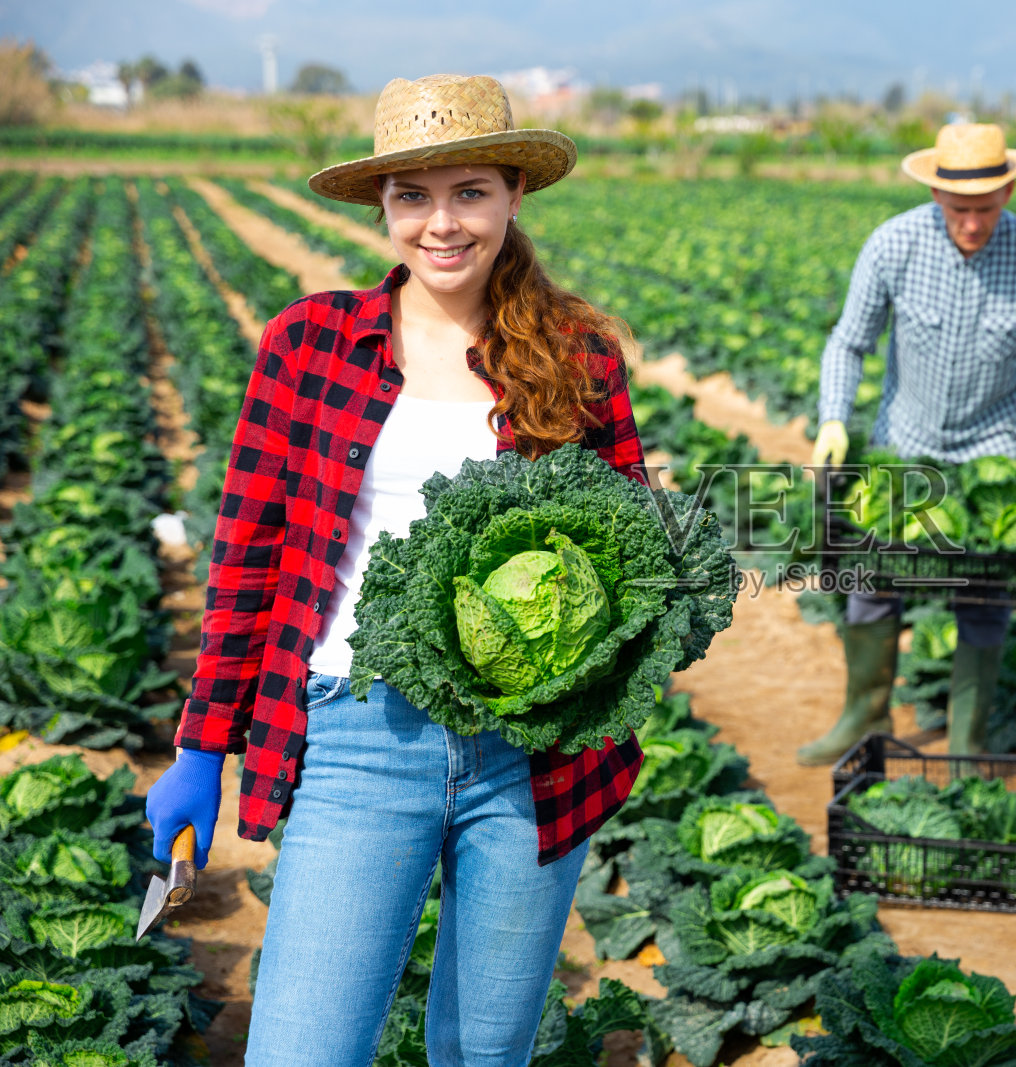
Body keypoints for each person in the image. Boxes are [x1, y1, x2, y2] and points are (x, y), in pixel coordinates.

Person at [142, 74, 645, 1066]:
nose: (441, 223)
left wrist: (584, 683)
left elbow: (629, 554)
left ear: (511, 195)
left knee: (484, 1048)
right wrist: (202, 744)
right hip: (356, 733)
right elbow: (245, 554)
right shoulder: (310, 344)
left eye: (469, 192)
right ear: (382, 207)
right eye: (413, 196)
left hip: (529, 751)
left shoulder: (576, 353)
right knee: (304, 1047)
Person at [800, 123, 1016, 765]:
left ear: (1011, 191)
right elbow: (849, 341)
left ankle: (967, 738)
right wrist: (833, 418)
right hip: (902, 446)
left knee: (984, 592)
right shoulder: (893, 244)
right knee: (873, 579)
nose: (972, 223)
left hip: (991, 457)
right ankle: (864, 715)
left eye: (986, 209)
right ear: (936, 193)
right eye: (960, 209)